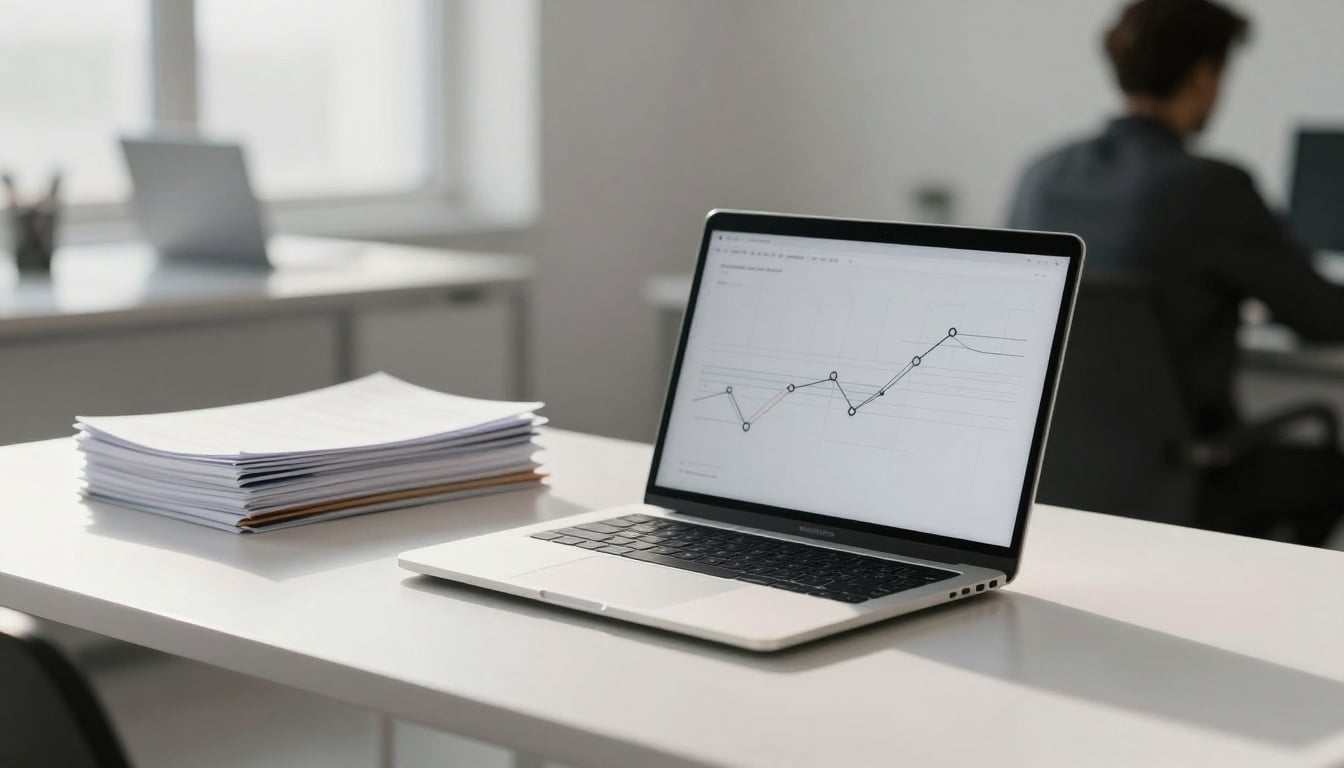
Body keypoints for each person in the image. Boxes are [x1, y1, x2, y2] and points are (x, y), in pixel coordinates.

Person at [1009, 0, 1344, 543]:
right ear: (1203, 75)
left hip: (1056, 477)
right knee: (1329, 471)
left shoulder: (1041, 176)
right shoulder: (1212, 188)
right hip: (1190, 473)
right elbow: (1323, 317)